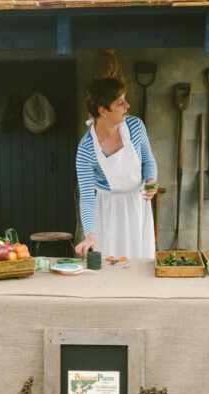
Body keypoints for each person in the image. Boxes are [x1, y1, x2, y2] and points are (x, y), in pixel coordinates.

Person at [74, 78, 157, 259]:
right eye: (120, 102)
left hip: (138, 204)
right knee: (110, 264)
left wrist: (151, 181)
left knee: (140, 262)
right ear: (103, 111)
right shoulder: (86, 149)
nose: (127, 106)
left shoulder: (136, 126)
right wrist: (89, 234)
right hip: (108, 212)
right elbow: (87, 198)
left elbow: (148, 161)